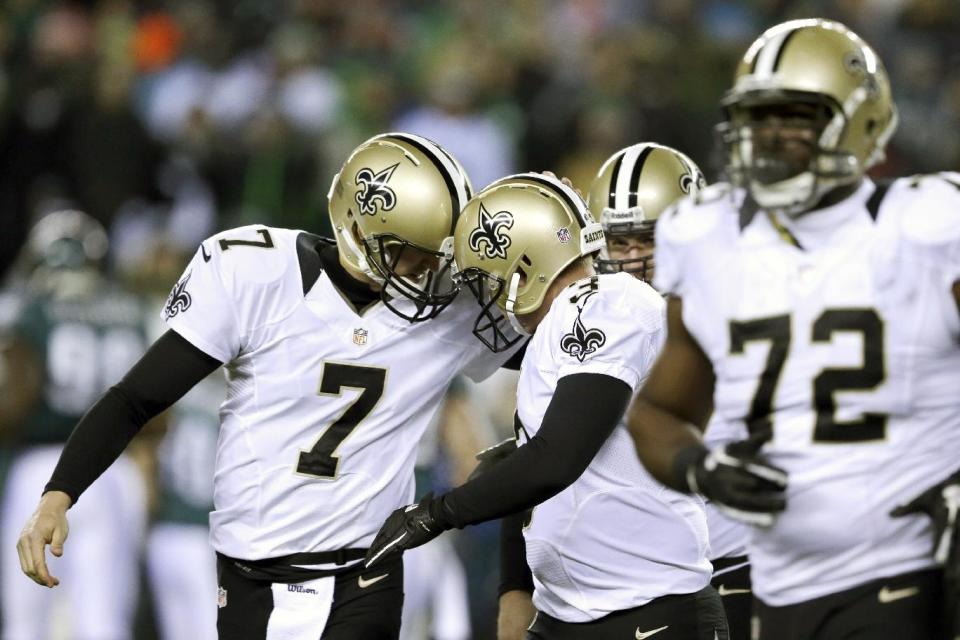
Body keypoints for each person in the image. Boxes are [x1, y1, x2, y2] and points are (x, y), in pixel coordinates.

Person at [16, 132, 523, 640]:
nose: (433, 268)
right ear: (362, 231)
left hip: (370, 572)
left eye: (438, 253)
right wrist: (58, 495)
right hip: (258, 573)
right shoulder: (257, 274)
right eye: (414, 253)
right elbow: (135, 398)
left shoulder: (450, 308)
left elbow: (560, 352)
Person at [625, 18, 960, 640]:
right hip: (774, 587)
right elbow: (659, 413)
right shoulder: (709, 238)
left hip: (907, 577)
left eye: (793, 116)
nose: (770, 137)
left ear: (860, 120)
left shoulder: (928, 227)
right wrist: (702, 468)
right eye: (757, 118)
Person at [364, 173, 728, 639]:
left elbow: (555, 460)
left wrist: (437, 513)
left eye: (485, 280)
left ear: (524, 268)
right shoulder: (560, 327)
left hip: (649, 612)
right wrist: (514, 590)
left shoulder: (609, 303)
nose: (484, 298)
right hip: (571, 614)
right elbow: (539, 469)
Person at [589, 142, 753, 640]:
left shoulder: (741, 305)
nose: (634, 260)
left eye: (647, 241)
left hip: (739, 562)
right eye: (620, 244)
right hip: (635, 583)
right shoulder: (588, 323)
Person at [2, 210, 152, 640]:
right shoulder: (128, 309)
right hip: (115, 469)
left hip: (42, 469)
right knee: (103, 620)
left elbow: (14, 401)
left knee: (26, 622)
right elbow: (156, 414)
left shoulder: (31, 309)